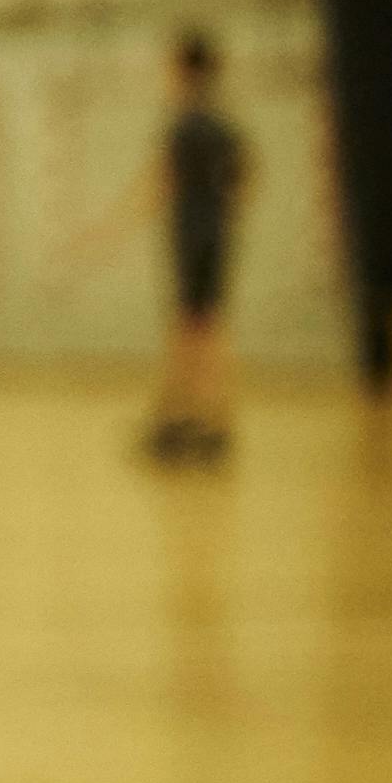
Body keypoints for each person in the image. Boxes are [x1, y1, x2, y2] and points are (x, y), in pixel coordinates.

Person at [149, 31, 248, 462]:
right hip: (216, 234)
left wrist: (105, 230)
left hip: (191, 235)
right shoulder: (223, 125)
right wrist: (223, 215)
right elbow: (244, 178)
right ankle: (203, 418)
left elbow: (161, 183)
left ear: (185, 71)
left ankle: (184, 417)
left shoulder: (185, 124)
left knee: (190, 327)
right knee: (206, 324)